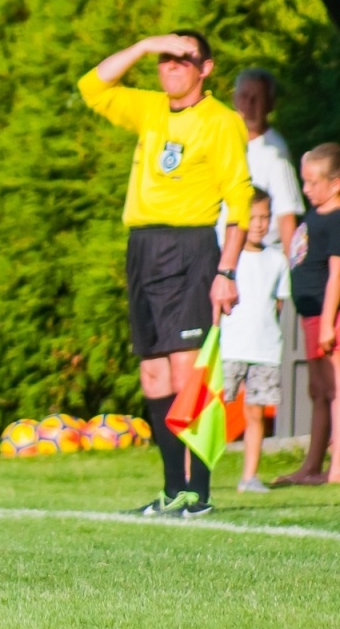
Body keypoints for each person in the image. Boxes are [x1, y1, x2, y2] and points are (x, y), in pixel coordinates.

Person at [79, 31, 252, 518]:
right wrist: (141, 45)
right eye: (164, 59)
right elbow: (92, 86)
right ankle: (173, 488)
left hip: (190, 248)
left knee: (187, 371)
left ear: (206, 68)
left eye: (183, 59)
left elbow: (239, 202)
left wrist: (226, 271)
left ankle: (200, 492)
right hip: (143, 247)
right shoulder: (150, 108)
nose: (172, 66)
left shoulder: (221, 121)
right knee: (153, 372)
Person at [278, 145, 340, 486]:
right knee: (318, 390)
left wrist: (329, 322)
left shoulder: (337, 219)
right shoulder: (315, 214)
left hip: (329, 317)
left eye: (313, 182)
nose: (306, 189)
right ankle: (312, 465)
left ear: (336, 183)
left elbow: (337, 274)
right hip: (311, 315)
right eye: (304, 181)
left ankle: (337, 468)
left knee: (336, 389)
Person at [221, 190, 290, 493]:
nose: (260, 224)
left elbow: (278, 303)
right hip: (230, 346)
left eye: (265, 217)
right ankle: (191, 473)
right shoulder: (227, 258)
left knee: (255, 412)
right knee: (212, 411)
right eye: (253, 218)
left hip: (265, 349)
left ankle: (249, 476)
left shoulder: (277, 260)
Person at [221, 69, 303, 252]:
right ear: (234, 99)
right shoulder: (222, 140)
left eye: (257, 99)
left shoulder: (274, 151)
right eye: (244, 97)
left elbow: (286, 215)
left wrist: (291, 265)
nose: (249, 106)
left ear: (270, 105)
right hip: (220, 254)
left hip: (261, 257)